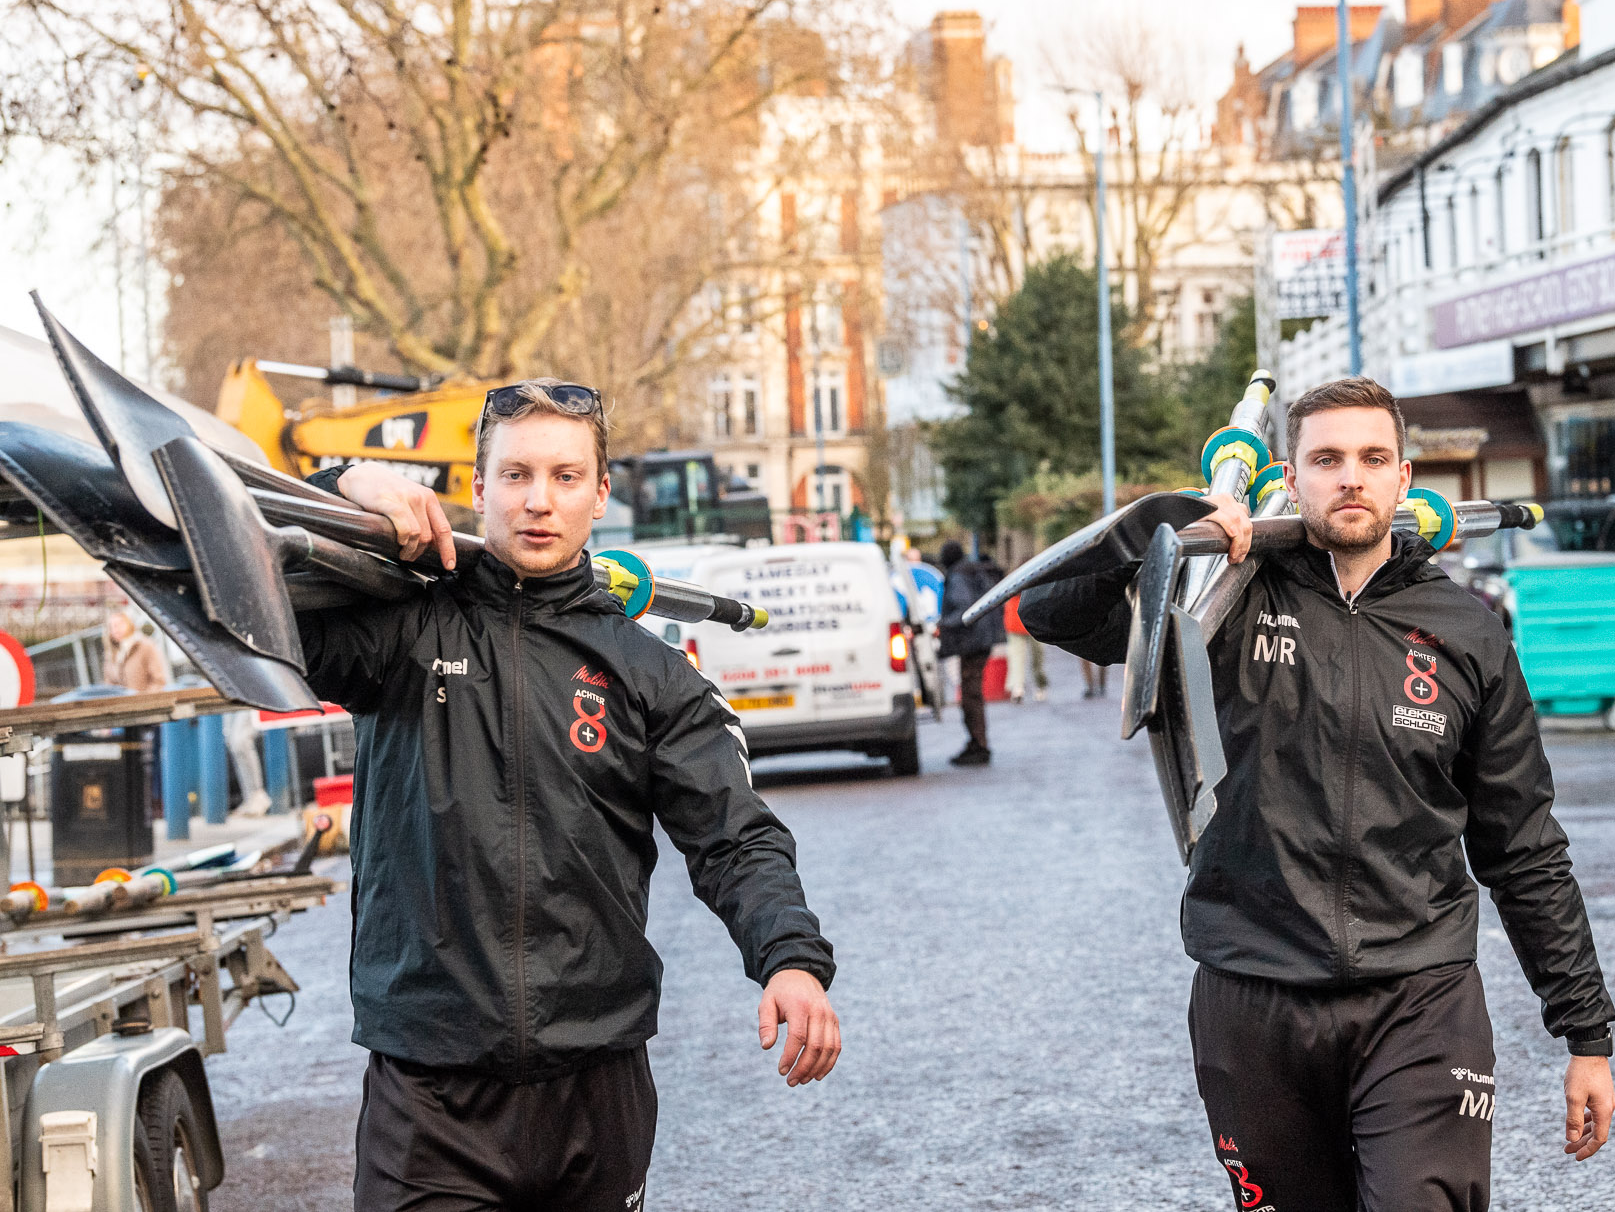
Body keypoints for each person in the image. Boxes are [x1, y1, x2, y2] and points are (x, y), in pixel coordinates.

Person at [1021, 377, 1615, 1212]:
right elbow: (1047, 609)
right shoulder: (1221, 593)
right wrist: (1174, 526)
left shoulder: (1468, 629)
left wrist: (1586, 1032)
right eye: (1327, 458)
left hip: (1421, 996)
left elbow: (1522, 844)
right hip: (1253, 993)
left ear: (1404, 479)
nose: (1351, 477)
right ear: (1290, 477)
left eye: (1373, 458)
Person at [301, 380, 841, 1212]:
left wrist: (791, 958)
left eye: (563, 476)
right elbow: (249, 560)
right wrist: (350, 481)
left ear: (600, 493)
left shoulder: (651, 670)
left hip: (597, 1083)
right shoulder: (398, 627)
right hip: (432, 1095)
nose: (538, 501)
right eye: (515, 475)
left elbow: (735, 837)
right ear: (476, 488)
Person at [937, 539, 1004, 766]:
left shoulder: (959, 576)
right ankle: (977, 742)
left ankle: (979, 743)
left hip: (972, 642)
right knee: (971, 692)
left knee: (970, 694)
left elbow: (964, 608)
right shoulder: (970, 570)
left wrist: (943, 625)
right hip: (982, 639)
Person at [102, 608, 167, 693]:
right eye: (111, 626)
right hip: (123, 704)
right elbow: (110, 684)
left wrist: (143, 700)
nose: (115, 630)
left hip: (146, 703)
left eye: (119, 624)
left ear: (129, 623)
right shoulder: (111, 654)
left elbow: (158, 681)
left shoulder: (145, 646)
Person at [1002, 594, 1046, 704]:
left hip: (1035, 616)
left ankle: (1039, 683)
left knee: (1037, 655)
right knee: (1017, 656)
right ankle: (1018, 687)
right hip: (1016, 615)